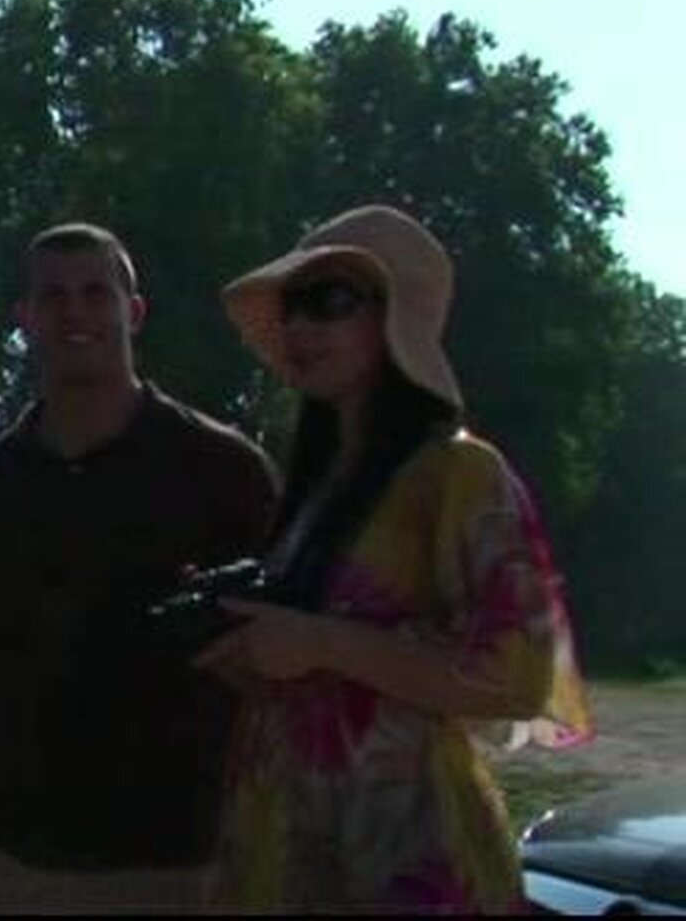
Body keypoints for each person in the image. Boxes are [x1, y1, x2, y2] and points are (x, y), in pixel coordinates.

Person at [194, 204, 593, 913]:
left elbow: (516, 679)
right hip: (288, 851)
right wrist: (253, 654)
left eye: (329, 301)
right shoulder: (316, 489)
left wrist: (321, 641)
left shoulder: (461, 473)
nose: (300, 327)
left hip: (406, 856)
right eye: (292, 306)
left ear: (397, 316)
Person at [0, 222, 280, 914]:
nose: (74, 311)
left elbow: (276, 659)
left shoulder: (226, 472)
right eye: (53, 296)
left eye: (95, 293)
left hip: (167, 856)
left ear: (133, 311)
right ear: (26, 318)